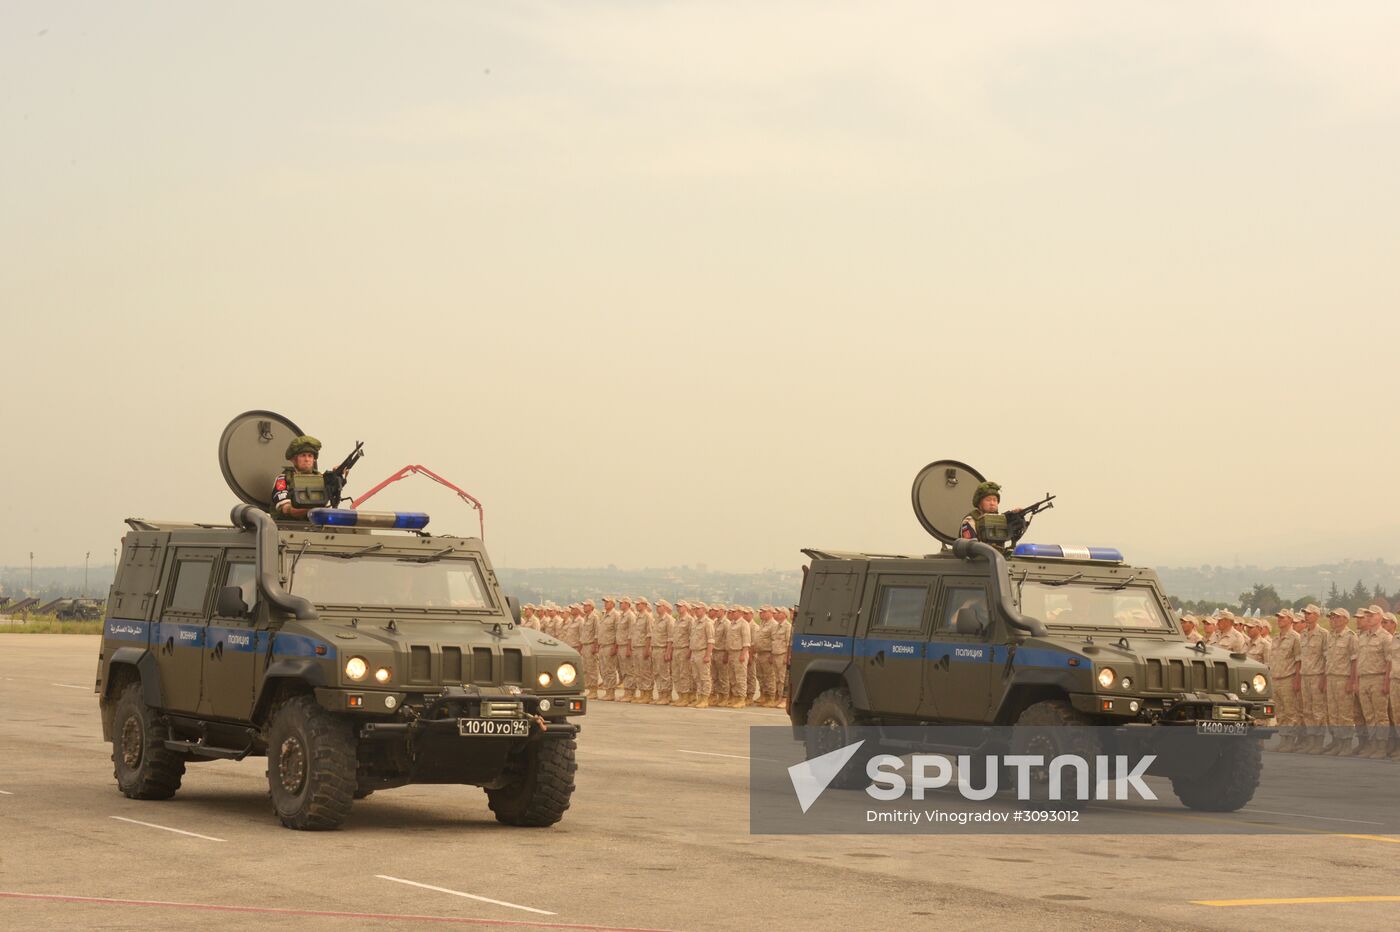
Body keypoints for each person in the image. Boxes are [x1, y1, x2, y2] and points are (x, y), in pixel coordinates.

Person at [1354, 606, 1393, 758]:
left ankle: (1382, 747)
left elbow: (1389, 661)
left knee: (1381, 716)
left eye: (1371, 615)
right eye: (1367, 615)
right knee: (1369, 716)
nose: (1368, 617)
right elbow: (1359, 661)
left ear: (1380, 617)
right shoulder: (1363, 637)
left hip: (1378, 678)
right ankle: (1373, 745)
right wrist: (1357, 681)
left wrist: (1386, 683)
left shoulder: (1385, 637)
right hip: (1364, 679)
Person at [1322, 608, 1359, 755]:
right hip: (1331, 677)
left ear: (1345, 619)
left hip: (1343, 678)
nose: (1334, 620)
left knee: (1344, 714)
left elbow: (1355, 661)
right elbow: (1328, 660)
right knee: (1333, 713)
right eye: (1332, 618)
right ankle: (1337, 742)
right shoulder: (1330, 636)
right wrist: (1325, 679)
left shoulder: (1350, 637)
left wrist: (1352, 681)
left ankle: (1346, 744)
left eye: (1337, 618)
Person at [1297, 605, 1330, 753]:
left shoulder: (1323, 634)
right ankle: (1311, 741)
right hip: (1305, 675)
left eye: (1309, 614)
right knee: (1307, 711)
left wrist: (1324, 679)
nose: (1306, 616)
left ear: (1317, 615)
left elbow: (1326, 658)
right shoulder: (1303, 634)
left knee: (1318, 711)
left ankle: (1318, 742)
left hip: (1317, 676)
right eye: (1305, 613)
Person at [1269, 610, 1303, 751]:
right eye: (1278, 617)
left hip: (1288, 678)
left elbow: (1299, 660)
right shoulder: (1276, 638)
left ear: (1290, 619)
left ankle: (1291, 741)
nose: (1279, 620)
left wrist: (1297, 680)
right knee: (1281, 713)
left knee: (1291, 713)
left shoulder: (1295, 638)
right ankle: (1284, 739)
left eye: (1282, 618)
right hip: (1276, 678)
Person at [272, 436, 328, 519]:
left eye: (310, 456)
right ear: (294, 459)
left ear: (314, 459)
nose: (307, 459)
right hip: (289, 526)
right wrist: (310, 509)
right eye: (303, 455)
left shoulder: (320, 478)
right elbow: (286, 509)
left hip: (315, 526)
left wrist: (337, 477)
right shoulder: (284, 479)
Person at [958, 482, 1023, 546]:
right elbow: (970, 547)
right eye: (988, 500)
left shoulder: (1000, 520)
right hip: (978, 556)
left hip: (997, 555)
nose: (992, 503)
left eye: (995, 500)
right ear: (979, 503)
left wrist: (1015, 514)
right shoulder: (970, 521)